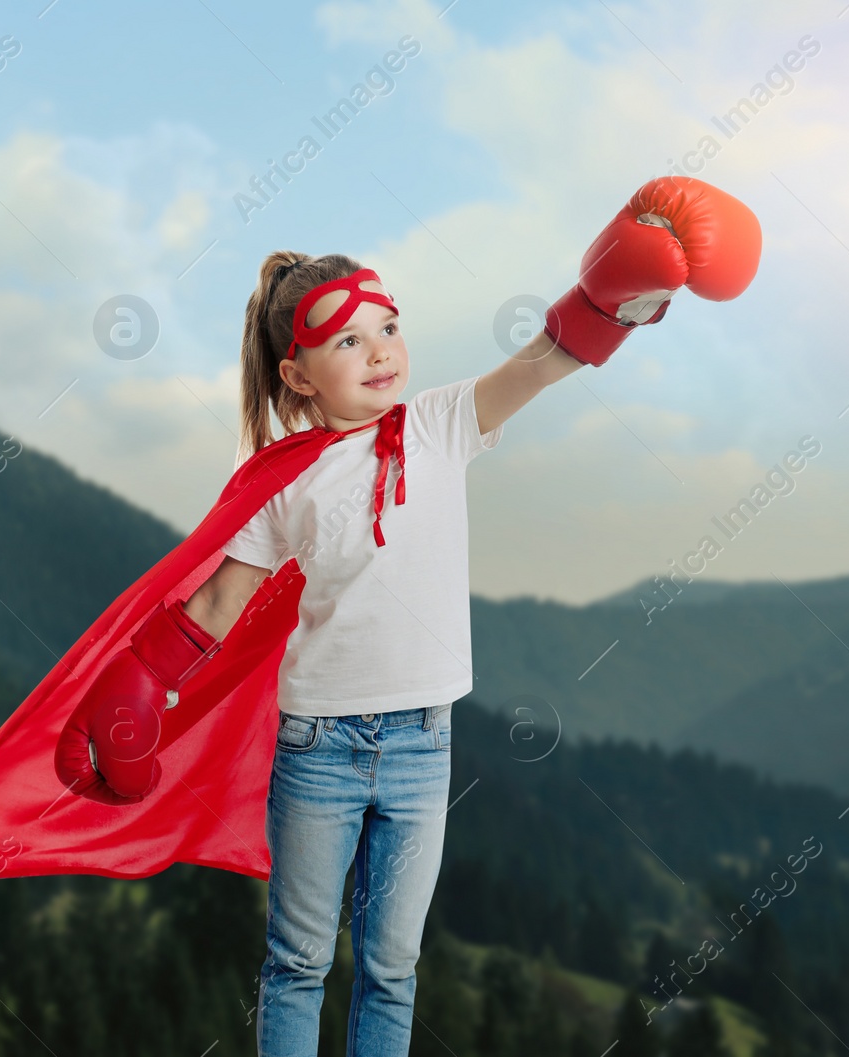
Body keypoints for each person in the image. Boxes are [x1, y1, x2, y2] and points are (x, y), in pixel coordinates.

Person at [145, 176, 761, 1057]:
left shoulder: (438, 424)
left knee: (394, 968)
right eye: (347, 340)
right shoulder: (284, 479)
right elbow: (217, 601)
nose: (379, 352)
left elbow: (546, 360)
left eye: (387, 328)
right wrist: (139, 685)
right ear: (296, 374)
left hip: (421, 745)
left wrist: (623, 295)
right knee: (298, 962)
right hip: (316, 747)